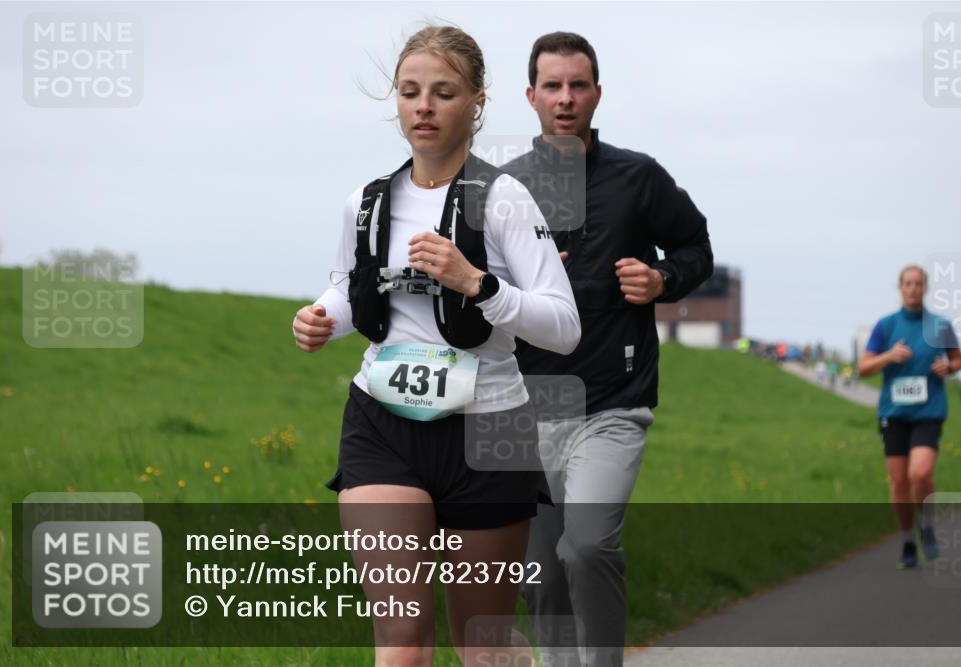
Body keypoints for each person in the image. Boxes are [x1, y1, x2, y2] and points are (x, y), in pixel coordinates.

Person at [291, 26, 581, 665]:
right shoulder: (365, 205)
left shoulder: (504, 200)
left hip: (489, 431)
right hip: (381, 425)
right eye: (410, 92)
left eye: (443, 93)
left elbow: (563, 326)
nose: (423, 107)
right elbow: (348, 291)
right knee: (401, 636)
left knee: (482, 645)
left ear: (476, 102)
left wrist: (476, 284)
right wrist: (321, 319)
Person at [502, 32, 713, 666]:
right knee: (539, 576)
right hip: (524, 407)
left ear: (597, 93)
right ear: (531, 96)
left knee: (585, 547)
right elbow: (473, 294)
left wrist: (662, 281)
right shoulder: (503, 190)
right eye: (553, 86)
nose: (565, 98)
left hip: (613, 404)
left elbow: (696, 248)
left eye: (578, 85)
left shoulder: (638, 178)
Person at [858, 265, 961, 570]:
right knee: (899, 483)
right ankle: (907, 539)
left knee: (920, 473)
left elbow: (958, 358)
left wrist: (950, 367)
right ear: (900, 287)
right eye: (908, 283)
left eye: (919, 284)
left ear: (925, 288)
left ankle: (926, 524)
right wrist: (888, 356)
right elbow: (864, 368)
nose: (914, 288)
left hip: (928, 412)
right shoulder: (886, 325)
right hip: (894, 414)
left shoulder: (939, 325)